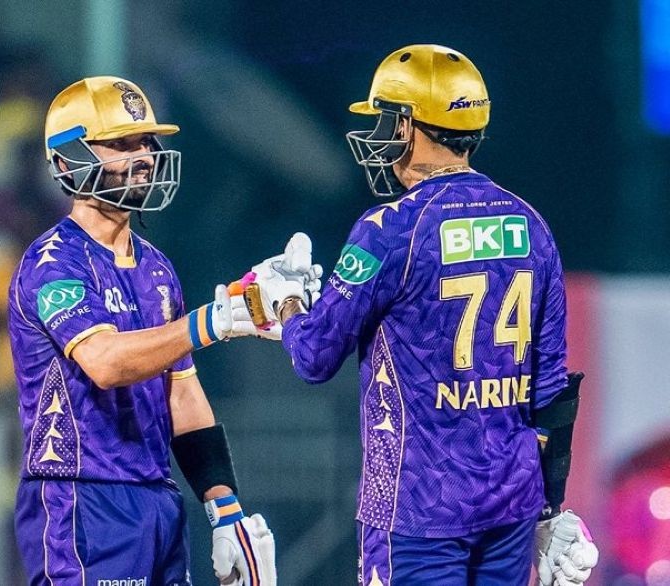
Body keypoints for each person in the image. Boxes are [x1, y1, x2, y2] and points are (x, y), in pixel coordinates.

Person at [245, 45, 599, 585]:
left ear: (408, 125)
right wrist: (550, 508)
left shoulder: (390, 229)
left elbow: (314, 355)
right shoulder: (531, 224)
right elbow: (551, 390)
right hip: (512, 508)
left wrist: (287, 302)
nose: (379, 133)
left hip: (416, 510)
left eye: (386, 118)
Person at [8, 76, 278, 586]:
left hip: (157, 500)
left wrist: (225, 510)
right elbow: (106, 363)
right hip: (81, 499)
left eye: (147, 142)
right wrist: (212, 321)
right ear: (68, 160)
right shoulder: (53, 263)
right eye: (123, 144)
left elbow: (182, 393)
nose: (145, 156)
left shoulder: (157, 267)